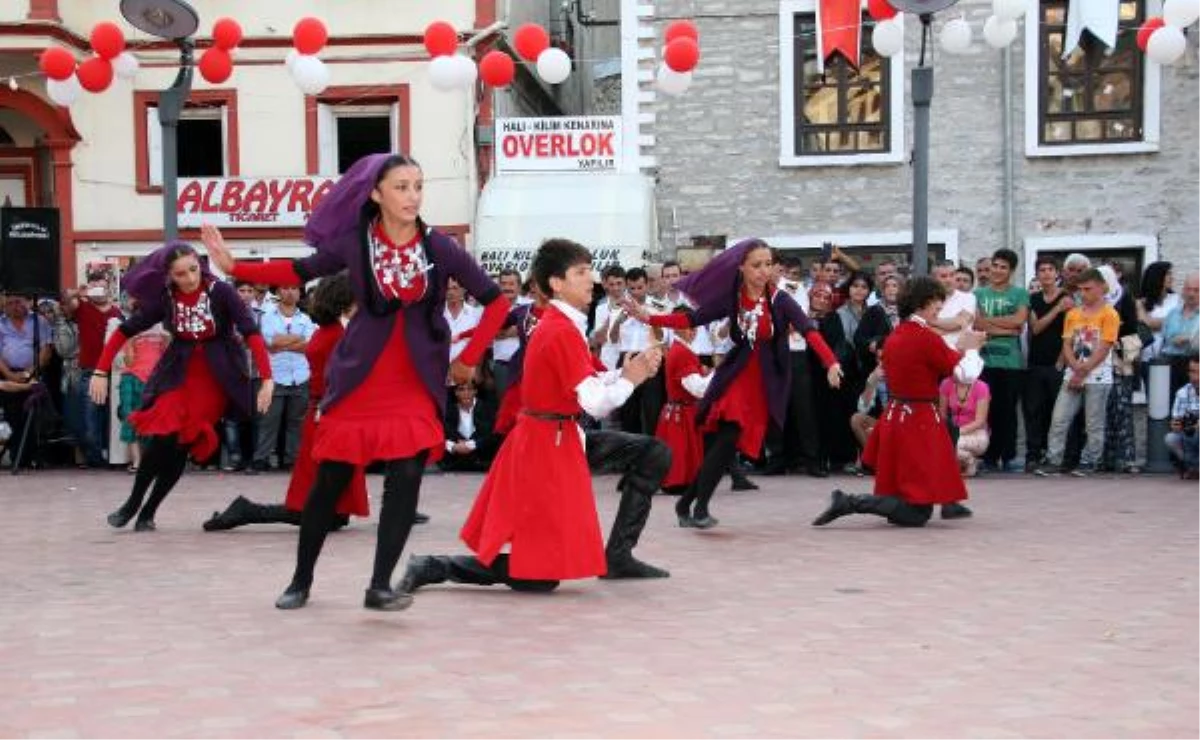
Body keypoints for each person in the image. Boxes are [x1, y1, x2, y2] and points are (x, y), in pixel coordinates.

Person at [202, 153, 510, 612]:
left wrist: (468, 356)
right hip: (362, 374)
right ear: (376, 193)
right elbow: (299, 271)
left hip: (413, 379)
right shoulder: (355, 243)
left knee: (406, 475)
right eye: (402, 186)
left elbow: (496, 303)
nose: (412, 196)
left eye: (418, 186)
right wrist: (236, 268)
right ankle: (301, 580)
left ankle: (380, 585)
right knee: (329, 480)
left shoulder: (440, 248)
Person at [398, 239, 670, 593]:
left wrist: (627, 372)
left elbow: (587, 381)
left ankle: (617, 555)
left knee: (652, 453)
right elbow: (594, 403)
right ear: (557, 283)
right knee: (539, 574)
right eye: (581, 272)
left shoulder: (562, 325)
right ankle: (436, 566)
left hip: (554, 437)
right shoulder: (560, 329)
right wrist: (633, 377)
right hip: (547, 444)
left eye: (590, 270)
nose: (592, 279)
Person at [625, 239, 843, 529]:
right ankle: (699, 508)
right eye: (757, 265)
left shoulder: (781, 300)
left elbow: (808, 330)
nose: (764, 271)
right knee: (727, 439)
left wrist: (831, 362)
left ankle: (686, 504)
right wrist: (649, 317)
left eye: (768, 264)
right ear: (741, 267)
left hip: (763, 381)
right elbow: (692, 317)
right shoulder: (733, 297)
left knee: (724, 447)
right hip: (735, 376)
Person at [89, 243, 274, 531]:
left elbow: (251, 332)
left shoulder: (221, 292)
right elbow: (127, 329)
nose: (189, 278)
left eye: (193, 269)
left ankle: (148, 512)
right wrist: (100, 371)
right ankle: (133, 503)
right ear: (169, 276)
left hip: (215, 375)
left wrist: (266, 379)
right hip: (179, 371)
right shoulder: (167, 298)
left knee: (180, 445)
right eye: (180, 273)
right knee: (163, 436)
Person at [812, 277, 985, 528]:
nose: (939, 307)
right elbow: (963, 375)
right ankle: (850, 502)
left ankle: (947, 502)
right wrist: (972, 349)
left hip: (900, 414)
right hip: (918, 417)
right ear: (923, 303)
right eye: (937, 302)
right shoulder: (924, 337)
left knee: (913, 482)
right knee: (915, 511)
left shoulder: (897, 335)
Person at [202, 273, 368, 533]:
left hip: (326, 415)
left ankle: (247, 511)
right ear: (345, 303)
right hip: (328, 418)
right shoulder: (337, 335)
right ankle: (247, 511)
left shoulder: (329, 331)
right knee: (320, 510)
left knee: (333, 512)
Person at [1035, 269, 1120, 477]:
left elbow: (1105, 347)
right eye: (1080, 289)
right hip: (1073, 373)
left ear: (1102, 288)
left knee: (1094, 421)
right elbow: (1066, 344)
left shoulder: (1110, 314)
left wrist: (1084, 369)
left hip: (1097, 376)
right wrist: (1074, 366)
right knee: (1059, 418)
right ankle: (1054, 460)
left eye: (1088, 289)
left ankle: (1091, 461)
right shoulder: (1073, 314)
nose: (1083, 294)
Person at [974, 248, 1029, 472]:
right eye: (995, 266)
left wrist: (991, 324)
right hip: (984, 361)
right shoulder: (978, 294)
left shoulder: (1019, 294)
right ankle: (988, 457)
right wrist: (1008, 329)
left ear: (1011, 271)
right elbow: (977, 323)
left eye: (1003, 267)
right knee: (986, 411)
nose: (997, 271)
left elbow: (1020, 320)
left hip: (1011, 362)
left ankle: (1008, 456)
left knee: (1007, 411)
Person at [253, 283, 315, 472]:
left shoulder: (306, 318)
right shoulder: (267, 317)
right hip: (274, 375)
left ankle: (291, 459)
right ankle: (261, 458)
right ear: (278, 292)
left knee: (296, 422)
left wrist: (283, 343)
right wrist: (297, 339)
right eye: (286, 288)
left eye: (294, 288)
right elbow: (271, 342)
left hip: (300, 374)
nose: (290, 292)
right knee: (268, 420)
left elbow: (309, 346)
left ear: (299, 293)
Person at [655, 309, 711, 492]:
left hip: (678, 411)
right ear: (677, 328)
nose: (693, 331)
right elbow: (698, 389)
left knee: (679, 453)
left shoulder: (680, 350)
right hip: (682, 412)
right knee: (681, 455)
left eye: (695, 327)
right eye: (689, 327)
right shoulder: (682, 353)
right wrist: (718, 375)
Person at [116, 305, 169, 473]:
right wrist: (131, 339)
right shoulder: (129, 331)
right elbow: (129, 362)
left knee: (154, 421)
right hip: (132, 378)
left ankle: (151, 460)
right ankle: (137, 461)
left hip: (155, 380)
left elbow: (168, 357)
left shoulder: (162, 330)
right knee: (130, 417)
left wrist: (167, 338)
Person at [440, 380, 499, 472]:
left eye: (470, 389)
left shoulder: (486, 408)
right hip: (453, 460)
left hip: (481, 457)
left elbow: (492, 434)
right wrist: (453, 446)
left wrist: (471, 445)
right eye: (461, 390)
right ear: (456, 392)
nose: (466, 393)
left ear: (475, 391)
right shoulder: (448, 410)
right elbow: (439, 433)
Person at [939, 372, 990, 477]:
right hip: (954, 431)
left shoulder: (981, 386)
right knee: (938, 445)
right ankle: (966, 462)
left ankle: (970, 462)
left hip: (976, 433)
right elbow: (942, 415)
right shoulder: (946, 384)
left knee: (950, 446)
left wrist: (957, 432)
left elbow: (980, 421)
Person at [1166, 356, 1200, 478]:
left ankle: (1194, 468)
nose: (1196, 377)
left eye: (1199, 372)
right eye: (1192, 371)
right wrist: (1176, 425)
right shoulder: (1182, 392)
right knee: (1171, 438)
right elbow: (1176, 419)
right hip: (1188, 437)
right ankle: (1193, 467)